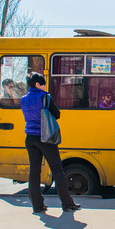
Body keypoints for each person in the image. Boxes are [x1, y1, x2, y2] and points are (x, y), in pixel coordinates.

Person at [21, 72, 81, 213]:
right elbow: (57, 114)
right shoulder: (45, 97)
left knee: (34, 172)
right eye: (42, 83)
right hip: (45, 137)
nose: (44, 86)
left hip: (30, 137)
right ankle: (67, 204)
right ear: (37, 84)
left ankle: (37, 205)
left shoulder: (23, 99)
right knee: (57, 170)